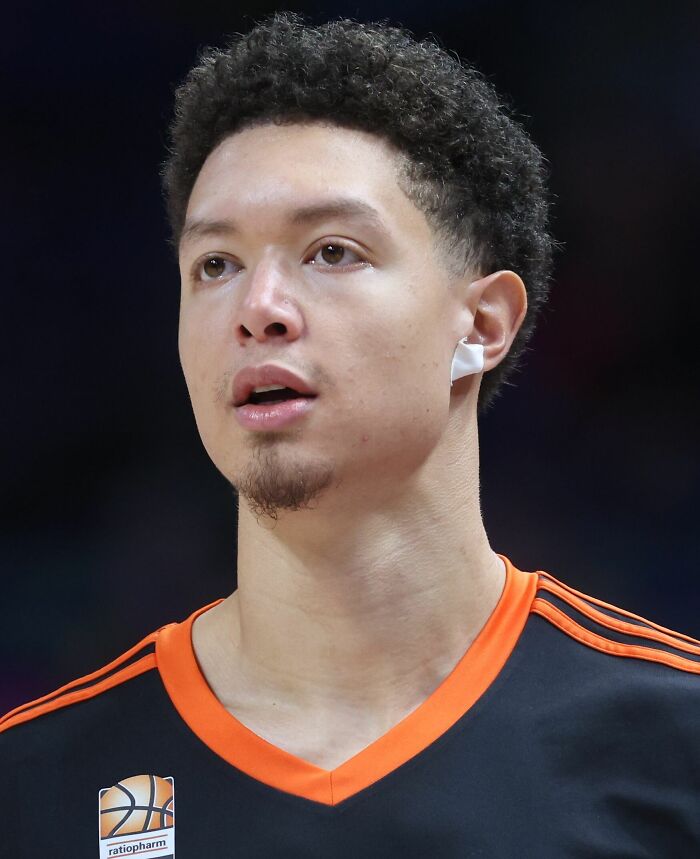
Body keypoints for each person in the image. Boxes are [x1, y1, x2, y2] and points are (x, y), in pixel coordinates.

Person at [2, 12, 699, 857]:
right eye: (214, 264)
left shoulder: (673, 745)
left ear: (481, 323)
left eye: (331, 251)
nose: (257, 309)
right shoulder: (31, 782)